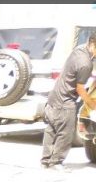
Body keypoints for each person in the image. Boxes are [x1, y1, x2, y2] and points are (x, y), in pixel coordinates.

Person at [41, 32, 96, 171]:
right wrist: (91, 104)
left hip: (53, 97)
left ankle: (45, 161)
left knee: (51, 130)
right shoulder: (86, 64)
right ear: (93, 44)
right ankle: (56, 162)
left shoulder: (78, 50)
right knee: (65, 134)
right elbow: (80, 89)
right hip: (65, 101)